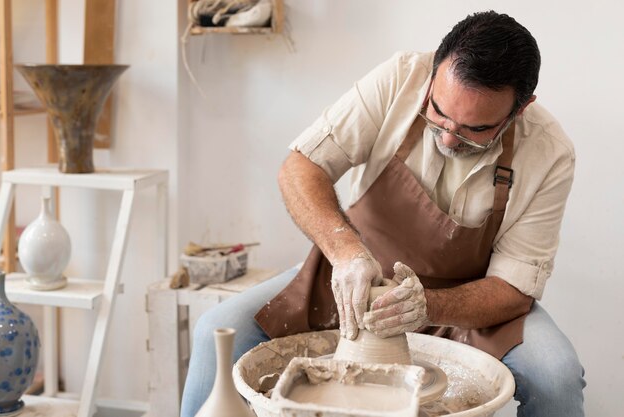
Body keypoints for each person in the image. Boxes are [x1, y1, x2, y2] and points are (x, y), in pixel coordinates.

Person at [181, 10, 585, 417]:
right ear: (434, 73)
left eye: (474, 129)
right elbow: (301, 168)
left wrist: (427, 306)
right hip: (353, 277)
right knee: (217, 330)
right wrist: (345, 252)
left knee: (557, 375)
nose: (447, 136)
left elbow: (513, 291)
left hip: (467, 300)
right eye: (438, 111)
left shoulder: (549, 153)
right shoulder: (400, 78)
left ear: (520, 109)